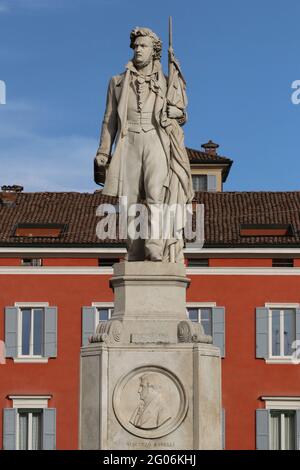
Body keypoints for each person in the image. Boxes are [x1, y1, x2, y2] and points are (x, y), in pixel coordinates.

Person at [95, 27, 193, 262]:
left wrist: (176, 111)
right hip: (129, 141)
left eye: (143, 46)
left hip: (156, 139)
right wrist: (103, 150)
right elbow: (109, 119)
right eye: (136, 46)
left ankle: (154, 244)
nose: (138, 50)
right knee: (129, 199)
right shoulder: (117, 82)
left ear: (154, 51)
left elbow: (180, 113)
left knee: (155, 193)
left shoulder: (168, 82)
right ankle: (135, 249)